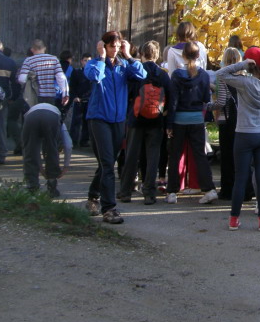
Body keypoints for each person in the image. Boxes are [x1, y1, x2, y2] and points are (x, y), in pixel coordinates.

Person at [84, 31, 146, 224]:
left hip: (119, 120)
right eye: (112, 46)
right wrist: (102, 58)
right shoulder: (94, 64)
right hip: (99, 119)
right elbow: (95, 76)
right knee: (107, 164)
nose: (115, 49)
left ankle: (93, 196)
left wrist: (128, 55)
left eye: (118, 46)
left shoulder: (124, 65)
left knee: (108, 163)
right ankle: (109, 208)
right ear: (104, 46)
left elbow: (142, 75)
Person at [216, 47, 260, 231]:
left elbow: (220, 74)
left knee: (241, 177)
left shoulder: (244, 83)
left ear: (250, 64)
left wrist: (241, 64)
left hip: (244, 133)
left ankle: (234, 219)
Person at [118, 41, 171, 205]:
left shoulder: (136, 71)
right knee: (153, 156)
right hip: (156, 120)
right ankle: (149, 193)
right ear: (157, 55)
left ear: (141, 54)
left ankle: (126, 191)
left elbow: (127, 92)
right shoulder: (162, 74)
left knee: (132, 155)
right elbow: (170, 97)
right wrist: (165, 117)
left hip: (136, 119)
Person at [166, 41, 217, 205]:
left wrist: (169, 124)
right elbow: (206, 99)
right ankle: (209, 189)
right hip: (196, 119)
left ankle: (172, 191)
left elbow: (173, 101)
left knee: (175, 155)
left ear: (183, 55)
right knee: (200, 155)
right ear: (198, 55)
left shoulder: (176, 75)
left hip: (179, 119)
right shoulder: (204, 75)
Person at [21, 102, 72, 197]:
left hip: (31, 117)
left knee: (29, 151)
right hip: (51, 117)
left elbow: (33, 150)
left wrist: (40, 167)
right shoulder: (60, 121)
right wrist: (66, 166)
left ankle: (32, 187)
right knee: (52, 148)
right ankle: (52, 186)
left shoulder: (32, 112)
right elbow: (68, 145)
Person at [213, 47, 242, 200]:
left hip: (226, 118)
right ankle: (241, 187)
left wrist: (211, 109)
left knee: (226, 155)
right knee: (239, 156)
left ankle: (227, 189)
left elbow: (221, 101)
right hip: (241, 120)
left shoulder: (222, 77)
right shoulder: (244, 77)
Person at [17, 40, 69, 107]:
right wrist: (65, 94)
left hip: (35, 96)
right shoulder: (54, 59)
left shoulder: (28, 61)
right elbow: (61, 78)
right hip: (50, 96)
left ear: (32, 49)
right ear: (44, 48)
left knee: (35, 113)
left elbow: (22, 79)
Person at [68, 54, 93, 147]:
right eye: (85, 60)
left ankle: (84, 140)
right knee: (76, 121)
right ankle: (73, 141)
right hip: (79, 99)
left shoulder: (93, 73)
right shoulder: (76, 72)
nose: (87, 62)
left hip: (89, 100)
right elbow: (72, 86)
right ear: (82, 61)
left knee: (87, 122)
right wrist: (74, 97)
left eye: (89, 60)